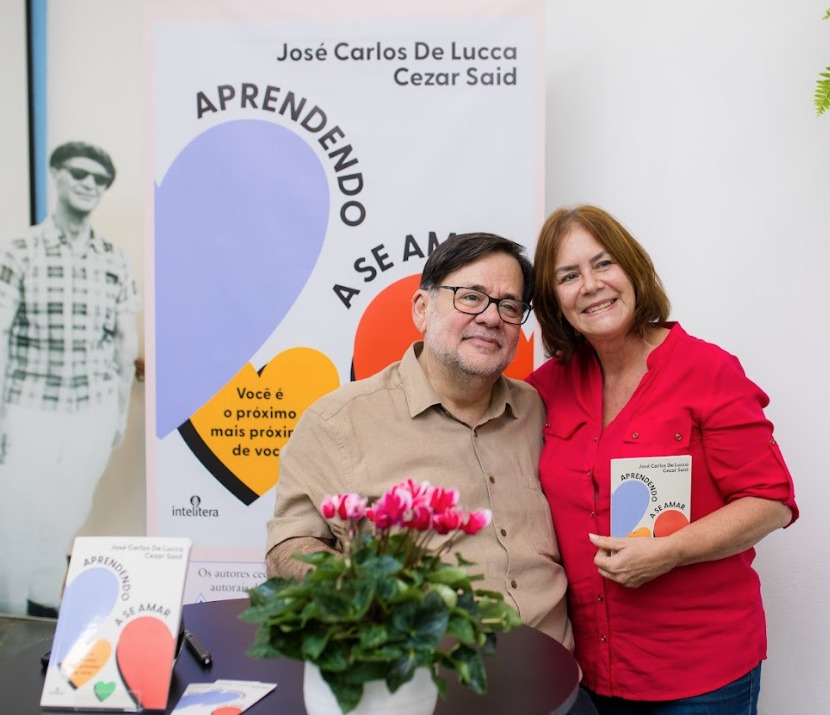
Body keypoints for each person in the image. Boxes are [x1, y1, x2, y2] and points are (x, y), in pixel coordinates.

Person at [266, 232, 598, 714]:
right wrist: (366, 590)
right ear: (422, 308)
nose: (491, 317)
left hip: (559, 694)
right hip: (418, 697)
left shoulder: (540, 411)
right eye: (471, 297)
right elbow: (287, 549)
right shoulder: (337, 423)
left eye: (509, 306)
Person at [527, 204, 798, 715]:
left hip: (700, 676)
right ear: (552, 300)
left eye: (603, 264)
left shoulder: (708, 370)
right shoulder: (544, 389)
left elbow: (770, 501)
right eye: (568, 276)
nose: (590, 285)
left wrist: (669, 551)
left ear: (632, 269)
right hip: (587, 672)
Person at [0, 141, 140, 617]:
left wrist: (118, 412)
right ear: (57, 175)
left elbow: (124, 342)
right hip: (29, 406)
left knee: (68, 508)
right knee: (18, 514)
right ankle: (11, 617)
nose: (88, 184)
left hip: (92, 410)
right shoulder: (19, 252)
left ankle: (42, 604)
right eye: (79, 173)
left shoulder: (115, 259)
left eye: (99, 180)